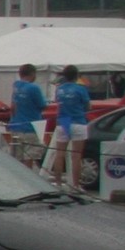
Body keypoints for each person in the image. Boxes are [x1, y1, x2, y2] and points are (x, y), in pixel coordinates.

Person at [46, 65, 91, 193]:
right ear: (77, 76)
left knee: (59, 153)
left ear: (64, 76)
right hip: (78, 121)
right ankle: (76, 185)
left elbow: (58, 102)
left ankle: (58, 183)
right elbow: (88, 107)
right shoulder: (81, 89)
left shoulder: (59, 90)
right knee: (76, 155)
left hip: (63, 121)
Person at [4, 65, 46, 164]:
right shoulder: (34, 88)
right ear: (32, 74)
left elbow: (13, 106)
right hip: (30, 127)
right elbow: (42, 105)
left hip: (16, 126)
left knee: (18, 159)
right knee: (29, 157)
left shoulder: (16, 86)